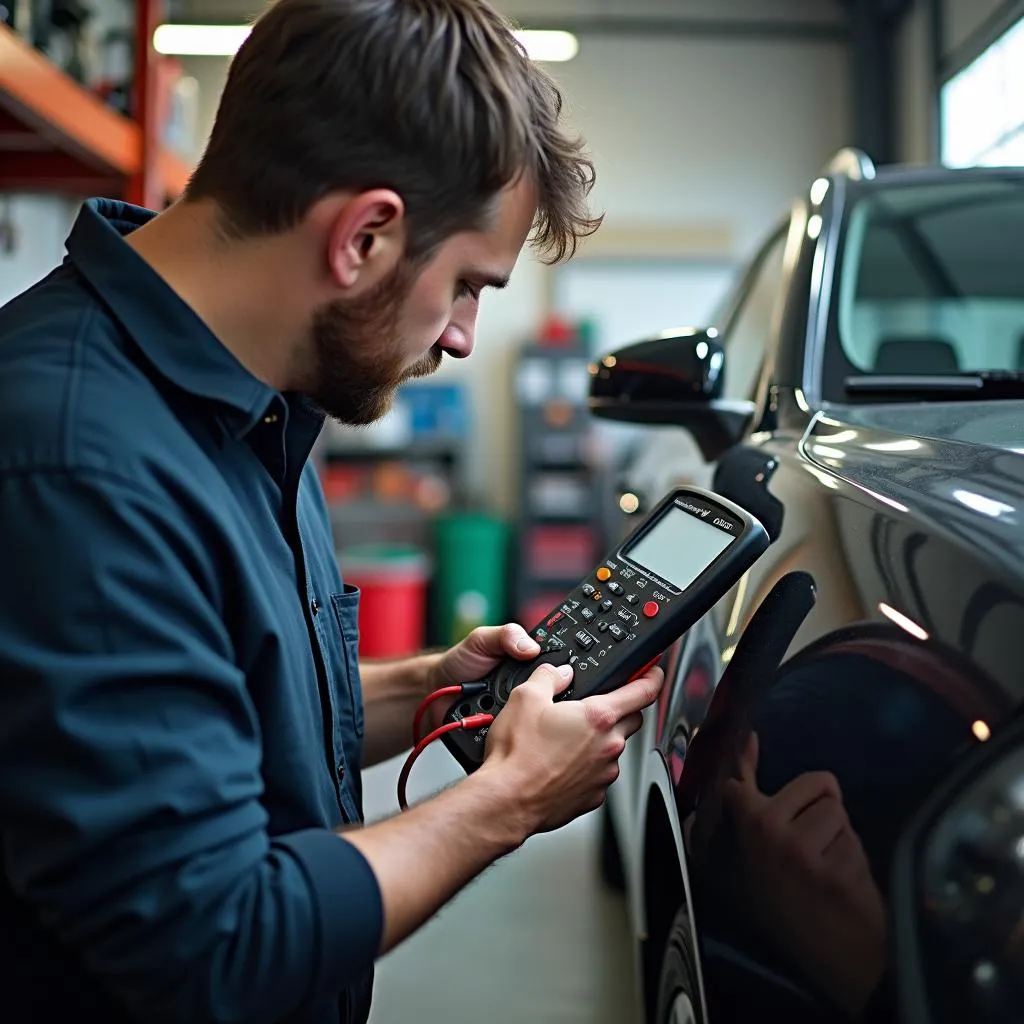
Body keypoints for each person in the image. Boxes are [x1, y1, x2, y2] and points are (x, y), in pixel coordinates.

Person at [0, 1, 665, 1022]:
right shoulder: (77, 463)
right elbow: (217, 940)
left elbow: (214, 704)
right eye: (464, 288)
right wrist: (504, 801)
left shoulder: (253, 398)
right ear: (364, 236)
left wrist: (427, 687)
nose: (461, 339)